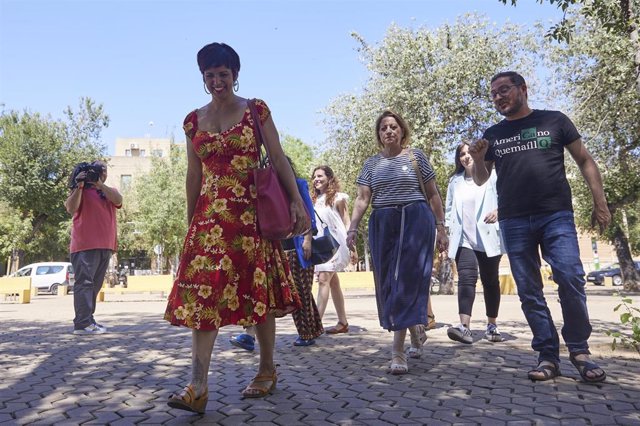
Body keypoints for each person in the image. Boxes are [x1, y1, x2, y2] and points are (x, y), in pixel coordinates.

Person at [164, 42, 310, 413]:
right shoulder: (192, 121)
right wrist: (189, 223)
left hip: (251, 217)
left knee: (257, 295)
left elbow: (277, 157)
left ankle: (266, 369)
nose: (217, 81)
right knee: (203, 298)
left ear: (235, 75)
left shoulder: (256, 110)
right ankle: (197, 386)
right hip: (209, 221)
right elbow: (193, 174)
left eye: (223, 74)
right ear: (203, 78)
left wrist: (296, 202)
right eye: (209, 75)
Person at [469, 71, 610, 383]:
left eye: (504, 90)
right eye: (493, 94)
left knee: (571, 276)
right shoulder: (492, 134)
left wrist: (600, 201)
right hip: (514, 219)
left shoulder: (554, 121)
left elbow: (585, 161)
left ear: (523, 89)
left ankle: (579, 350)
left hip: (555, 214)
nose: (498, 97)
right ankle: (547, 354)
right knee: (529, 289)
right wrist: (479, 159)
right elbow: (481, 179)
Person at [346, 110, 448, 374]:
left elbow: (433, 194)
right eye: (383, 128)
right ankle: (415, 327)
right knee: (388, 282)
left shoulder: (416, 157)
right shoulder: (371, 164)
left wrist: (441, 227)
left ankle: (397, 352)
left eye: (393, 127)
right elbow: (362, 198)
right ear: (379, 135)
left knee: (406, 280)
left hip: (415, 220)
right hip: (383, 222)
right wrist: (352, 229)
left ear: (402, 130)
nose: (389, 131)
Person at [230, 158, 324, 349]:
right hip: (274, 248)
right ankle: (249, 335)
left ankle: (308, 332)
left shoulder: (298, 185)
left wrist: (307, 239)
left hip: (297, 248)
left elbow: (308, 213)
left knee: (301, 292)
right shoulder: (263, 188)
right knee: (261, 292)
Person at [445, 142, 504, 344]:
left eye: (469, 152)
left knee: (490, 281)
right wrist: (445, 232)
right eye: (462, 154)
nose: (466, 156)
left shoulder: (492, 176)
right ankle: (464, 327)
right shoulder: (454, 181)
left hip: (488, 237)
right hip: (464, 239)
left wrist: (498, 212)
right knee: (466, 279)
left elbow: (504, 200)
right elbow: (449, 210)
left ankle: (492, 325)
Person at [64, 161, 122, 335]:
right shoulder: (80, 191)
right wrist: (80, 186)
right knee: (85, 284)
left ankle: (88, 320)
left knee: (95, 285)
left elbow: (118, 200)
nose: (101, 172)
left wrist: (100, 185)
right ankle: (82, 324)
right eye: (97, 169)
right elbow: (70, 208)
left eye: (103, 169)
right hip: (85, 245)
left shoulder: (108, 190)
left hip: (105, 245)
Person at [311, 165, 354, 334]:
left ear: (329, 178)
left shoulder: (338, 198)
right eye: (314, 177)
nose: (316, 179)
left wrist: (353, 247)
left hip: (337, 244)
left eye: (320, 176)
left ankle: (315, 325)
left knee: (323, 279)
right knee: (333, 282)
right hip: (323, 246)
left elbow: (347, 222)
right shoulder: (313, 200)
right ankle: (342, 322)